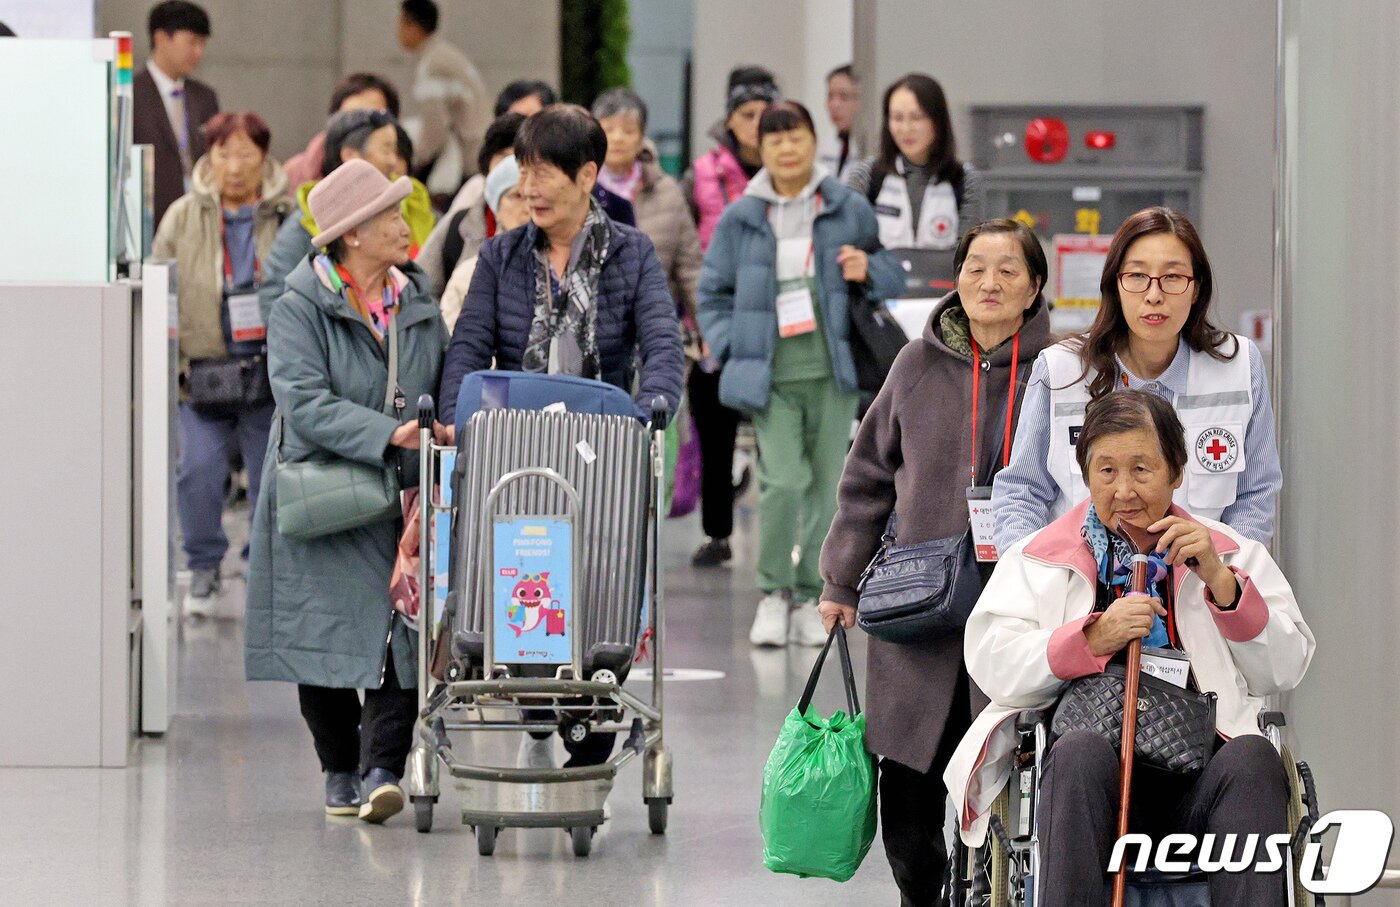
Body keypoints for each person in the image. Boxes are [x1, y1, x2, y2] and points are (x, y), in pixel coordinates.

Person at [946, 390, 1314, 906]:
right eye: (1106, 471)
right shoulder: (1040, 558)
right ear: (1085, 475)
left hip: (1203, 781)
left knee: (1254, 758)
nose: (1124, 489)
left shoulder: (1231, 553)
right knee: (1075, 752)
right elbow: (993, 664)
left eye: (1142, 469)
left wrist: (1222, 586)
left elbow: (1287, 666)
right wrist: (1091, 639)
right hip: (1091, 783)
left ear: (1177, 472)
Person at [436, 105, 683, 769]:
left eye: (545, 172)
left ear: (588, 175)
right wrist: (455, 414)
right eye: (523, 172)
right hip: (514, 449)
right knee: (521, 571)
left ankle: (589, 707)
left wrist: (655, 403)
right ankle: (537, 696)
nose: (530, 188)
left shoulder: (631, 254)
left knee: (598, 577)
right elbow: (469, 345)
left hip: (601, 450)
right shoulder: (501, 254)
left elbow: (661, 340)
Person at [816, 219, 1050, 904]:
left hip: (1016, 614)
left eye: (1009, 269)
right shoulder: (914, 367)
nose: (990, 281)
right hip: (915, 613)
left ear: (1034, 287)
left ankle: (984, 890)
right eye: (976, 265)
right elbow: (866, 479)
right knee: (910, 816)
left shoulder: (1058, 371)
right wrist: (840, 577)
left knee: (998, 792)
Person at [245, 158, 450, 824]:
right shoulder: (300, 306)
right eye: (391, 214)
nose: (404, 224)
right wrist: (388, 433)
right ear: (353, 233)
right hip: (326, 493)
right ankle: (338, 766)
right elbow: (301, 401)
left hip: (404, 499)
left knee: (403, 630)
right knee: (323, 636)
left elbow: (443, 380)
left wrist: (438, 425)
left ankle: (383, 766)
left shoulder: (418, 302)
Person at [698, 100, 903, 648]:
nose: (787, 148)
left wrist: (869, 269)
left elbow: (889, 269)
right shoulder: (741, 217)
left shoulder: (847, 206)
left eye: (797, 137)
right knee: (784, 481)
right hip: (770, 372)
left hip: (833, 367)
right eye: (775, 140)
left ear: (814, 142)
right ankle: (772, 592)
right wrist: (729, 345)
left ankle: (814, 591)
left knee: (828, 487)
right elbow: (711, 292)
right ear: (760, 150)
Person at [991, 207, 1283, 553]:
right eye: (1137, 276)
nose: (1154, 295)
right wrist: (1043, 584)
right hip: (1078, 593)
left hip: (1198, 591)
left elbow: (1256, 495)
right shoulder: (1061, 370)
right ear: (1115, 285)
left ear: (1195, 289)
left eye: (1173, 277)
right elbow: (1021, 493)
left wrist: (1222, 576)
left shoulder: (1238, 365)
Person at [152, 112, 291, 617]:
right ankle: (204, 567)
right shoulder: (182, 216)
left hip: (268, 371)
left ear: (265, 158)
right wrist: (172, 364)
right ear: (209, 158)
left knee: (270, 475)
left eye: (245, 155)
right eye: (223, 154)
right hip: (201, 371)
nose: (234, 167)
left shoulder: (286, 215)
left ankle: (263, 572)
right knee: (198, 470)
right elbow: (158, 291)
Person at [679, 65, 778, 567]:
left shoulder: (788, 173)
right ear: (730, 119)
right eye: (746, 114)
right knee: (713, 428)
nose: (757, 123)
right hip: (716, 320)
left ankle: (793, 541)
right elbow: (685, 250)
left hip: (778, 320)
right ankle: (716, 530)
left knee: (779, 431)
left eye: (765, 113)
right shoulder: (701, 173)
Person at [259, 109, 435, 322]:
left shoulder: (418, 208)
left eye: (396, 151)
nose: (393, 161)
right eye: (386, 150)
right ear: (350, 155)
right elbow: (277, 303)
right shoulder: (305, 223)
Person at [592, 88, 703, 383]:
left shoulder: (668, 191)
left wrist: (707, 328)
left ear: (641, 137)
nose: (617, 138)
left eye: (627, 130)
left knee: (661, 417)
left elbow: (689, 268)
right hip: (594, 332)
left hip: (655, 327)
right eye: (608, 129)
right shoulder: (581, 190)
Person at [844, 73, 986, 251]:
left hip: (943, 278)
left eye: (916, 118)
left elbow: (968, 257)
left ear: (938, 121)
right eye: (897, 118)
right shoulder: (866, 176)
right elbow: (852, 247)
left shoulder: (966, 180)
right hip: (880, 278)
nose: (906, 129)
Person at [417, 112, 526, 296]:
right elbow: (422, 289)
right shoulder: (461, 224)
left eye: (520, 159)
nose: (511, 167)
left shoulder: (548, 223)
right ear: (487, 164)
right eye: (504, 157)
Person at [134, 1, 219, 226]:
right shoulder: (130, 94)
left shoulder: (204, 96)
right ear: (161, 38)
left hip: (199, 219)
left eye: (203, 44)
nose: (199, 52)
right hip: (149, 218)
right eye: (192, 42)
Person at [396, 0, 491, 184]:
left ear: (413, 26)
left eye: (400, 23)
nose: (397, 31)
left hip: (472, 158)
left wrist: (413, 164)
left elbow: (435, 128)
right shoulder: (446, 55)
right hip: (480, 150)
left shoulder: (433, 64)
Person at [440, 154, 529, 329]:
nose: (527, 208)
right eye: (517, 196)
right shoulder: (468, 276)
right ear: (497, 207)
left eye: (533, 197)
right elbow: (450, 342)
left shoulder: (557, 268)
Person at [282, 72, 400, 190]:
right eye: (353, 116)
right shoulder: (295, 173)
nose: (362, 124)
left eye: (374, 118)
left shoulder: (398, 172)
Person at [818, 64, 862, 181]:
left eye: (844, 97)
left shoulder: (869, 148)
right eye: (830, 96)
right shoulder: (821, 148)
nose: (834, 105)